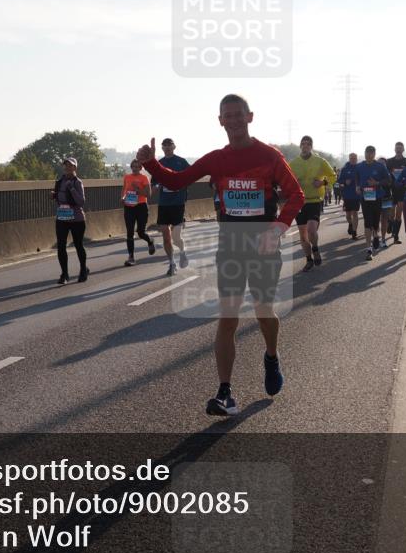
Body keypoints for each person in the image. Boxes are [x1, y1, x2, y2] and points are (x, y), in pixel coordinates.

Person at [137, 94, 303, 416]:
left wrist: (277, 229)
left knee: (263, 311)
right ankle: (225, 392)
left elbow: (295, 194)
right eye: (228, 115)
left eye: (239, 114)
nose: (234, 120)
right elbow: (177, 181)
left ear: (250, 117)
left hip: (264, 247)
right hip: (230, 247)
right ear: (220, 121)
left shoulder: (270, 156)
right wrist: (150, 164)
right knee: (227, 317)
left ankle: (271, 355)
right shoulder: (216, 159)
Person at [288, 136, 337, 273]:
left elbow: (333, 176)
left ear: (311, 146)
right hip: (299, 201)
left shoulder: (320, 161)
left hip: (315, 200)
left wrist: (322, 183)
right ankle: (309, 260)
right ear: (300, 146)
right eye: (303, 144)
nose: (305, 146)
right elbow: (286, 180)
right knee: (303, 235)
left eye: (308, 144)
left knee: (311, 229)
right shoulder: (293, 163)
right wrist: (293, 183)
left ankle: (315, 248)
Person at [155, 138, 190, 276]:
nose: (167, 148)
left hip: (178, 202)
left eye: (170, 145)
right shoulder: (160, 163)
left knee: (176, 237)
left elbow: (191, 176)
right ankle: (172, 263)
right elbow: (155, 182)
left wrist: (181, 184)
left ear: (174, 147)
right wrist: (157, 186)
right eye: (165, 146)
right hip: (164, 203)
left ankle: (182, 251)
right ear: (162, 148)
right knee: (165, 235)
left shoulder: (181, 162)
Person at [52, 157, 88, 285]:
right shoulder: (59, 181)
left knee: (78, 245)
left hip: (76, 219)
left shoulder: (78, 182)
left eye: (70, 165)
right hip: (62, 217)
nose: (67, 167)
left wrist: (71, 189)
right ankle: (64, 274)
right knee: (61, 246)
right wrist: (55, 195)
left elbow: (81, 202)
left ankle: (83, 270)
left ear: (75, 168)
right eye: (66, 165)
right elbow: (59, 198)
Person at [354, 146, 391, 261]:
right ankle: (368, 249)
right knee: (367, 221)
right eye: (367, 153)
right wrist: (357, 186)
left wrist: (377, 182)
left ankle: (376, 236)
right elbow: (356, 177)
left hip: (377, 197)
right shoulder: (359, 166)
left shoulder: (380, 166)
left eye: (371, 153)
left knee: (375, 221)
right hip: (365, 198)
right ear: (364, 153)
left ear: (374, 154)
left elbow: (388, 180)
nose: (369, 155)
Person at [121, 159, 156, 266]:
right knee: (129, 233)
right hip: (129, 206)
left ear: (141, 168)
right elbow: (124, 189)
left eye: (137, 167)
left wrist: (138, 190)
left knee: (140, 232)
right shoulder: (127, 177)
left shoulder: (144, 178)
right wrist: (122, 198)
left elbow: (148, 194)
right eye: (133, 166)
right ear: (131, 167)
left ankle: (150, 241)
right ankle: (131, 257)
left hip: (141, 207)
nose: (135, 168)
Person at [385, 142, 406, 245]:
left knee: (399, 214)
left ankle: (396, 236)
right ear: (394, 149)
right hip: (392, 190)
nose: (399, 150)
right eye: (397, 148)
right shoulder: (389, 161)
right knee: (392, 213)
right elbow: (385, 175)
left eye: (400, 148)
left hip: (402, 191)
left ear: (403, 149)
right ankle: (390, 222)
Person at [337, 153, 360, 239]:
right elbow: (339, 180)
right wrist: (345, 182)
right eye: (351, 158)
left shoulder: (359, 168)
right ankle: (350, 224)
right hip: (347, 195)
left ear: (357, 159)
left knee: (355, 213)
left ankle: (354, 232)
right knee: (348, 215)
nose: (353, 159)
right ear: (349, 159)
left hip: (356, 195)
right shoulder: (345, 169)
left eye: (354, 158)